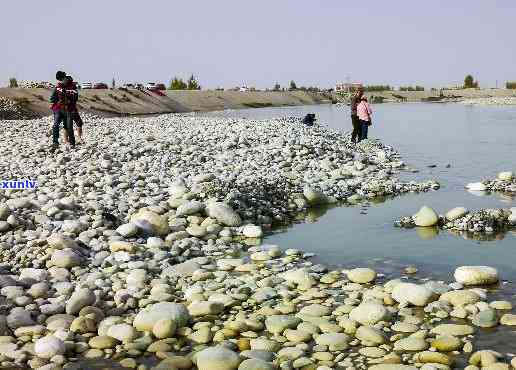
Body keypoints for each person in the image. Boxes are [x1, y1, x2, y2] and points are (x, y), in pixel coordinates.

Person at [49, 71, 76, 151]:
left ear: (65, 78)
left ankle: (72, 143)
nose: (60, 81)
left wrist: (69, 100)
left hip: (69, 110)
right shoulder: (57, 87)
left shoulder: (72, 86)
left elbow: (75, 97)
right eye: (59, 80)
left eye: (61, 79)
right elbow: (52, 98)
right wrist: (55, 102)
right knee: (56, 125)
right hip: (58, 109)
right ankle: (55, 143)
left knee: (69, 127)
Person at [62, 76, 84, 144]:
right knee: (78, 123)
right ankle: (78, 138)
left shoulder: (63, 88)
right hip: (71, 109)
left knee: (67, 125)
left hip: (67, 109)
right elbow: (75, 98)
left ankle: (66, 140)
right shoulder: (73, 88)